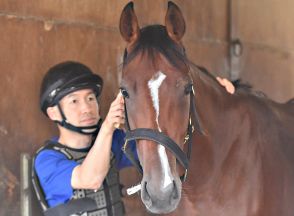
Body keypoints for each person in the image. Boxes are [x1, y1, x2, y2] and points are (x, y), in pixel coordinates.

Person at [32, 61, 235, 216]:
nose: (86, 108)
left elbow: (164, 148)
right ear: (53, 113)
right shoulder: (47, 159)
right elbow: (91, 178)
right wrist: (108, 126)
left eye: (91, 98)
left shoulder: (112, 141)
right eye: (74, 101)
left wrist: (211, 98)